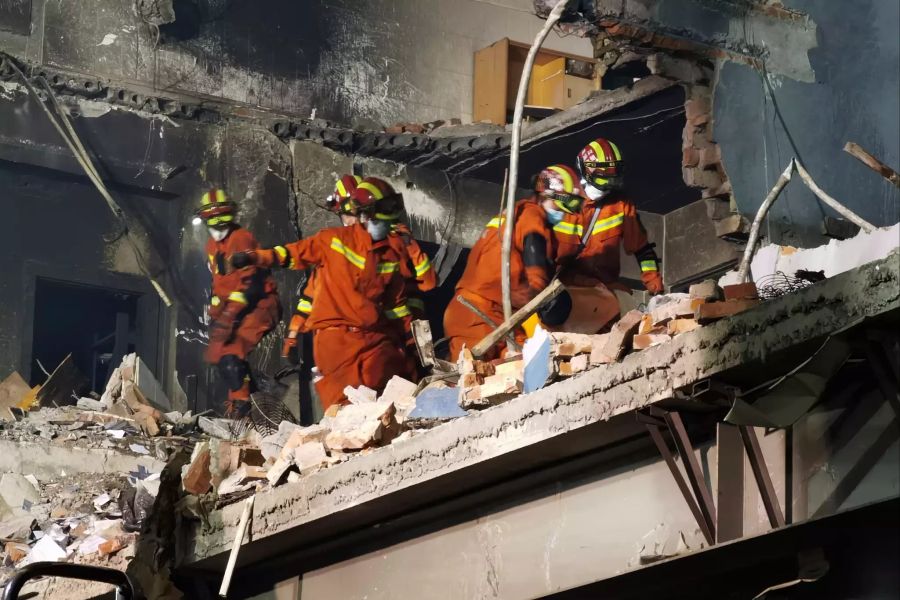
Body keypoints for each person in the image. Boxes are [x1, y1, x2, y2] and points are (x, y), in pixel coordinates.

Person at [231, 179, 415, 411]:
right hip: (336, 342)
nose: (387, 227)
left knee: (396, 390)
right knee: (346, 408)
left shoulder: (392, 253)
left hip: (373, 338)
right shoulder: (333, 241)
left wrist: (410, 344)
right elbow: (291, 255)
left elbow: (396, 305)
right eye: (381, 219)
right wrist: (254, 258)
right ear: (366, 216)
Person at [443, 165, 585, 361]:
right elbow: (535, 266)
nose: (564, 212)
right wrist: (545, 299)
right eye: (562, 204)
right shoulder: (532, 217)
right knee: (471, 380)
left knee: (521, 366)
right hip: (478, 316)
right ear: (547, 196)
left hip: (499, 316)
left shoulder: (516, 215)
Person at [198, 188, 280, 417]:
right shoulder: (212, 247)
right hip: (234, 309)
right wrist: (216, 316)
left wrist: (228, 316)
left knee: (231, 355)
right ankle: (247, 398)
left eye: (222, 218)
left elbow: (249, 286)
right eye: (212, 220)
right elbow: (220, 284)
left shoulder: (241, 238)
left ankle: (245, 407)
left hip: (259, 305)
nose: (218, 226)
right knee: (219, 355)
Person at [281, 175, 363, 364]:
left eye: (356, 213)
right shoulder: (335, 249)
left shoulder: (388, 244)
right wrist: (293, 334)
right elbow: (311, 296)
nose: (352, 220)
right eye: (347, 214)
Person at [567, 137, 664, 296]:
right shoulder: (565, 203)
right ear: (586, 171)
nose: (608, 185)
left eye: (613, 179)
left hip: (604, 291)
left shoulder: (621, 205)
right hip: (568, 290)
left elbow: (642, 249)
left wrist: (654, 284)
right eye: (602, 178)